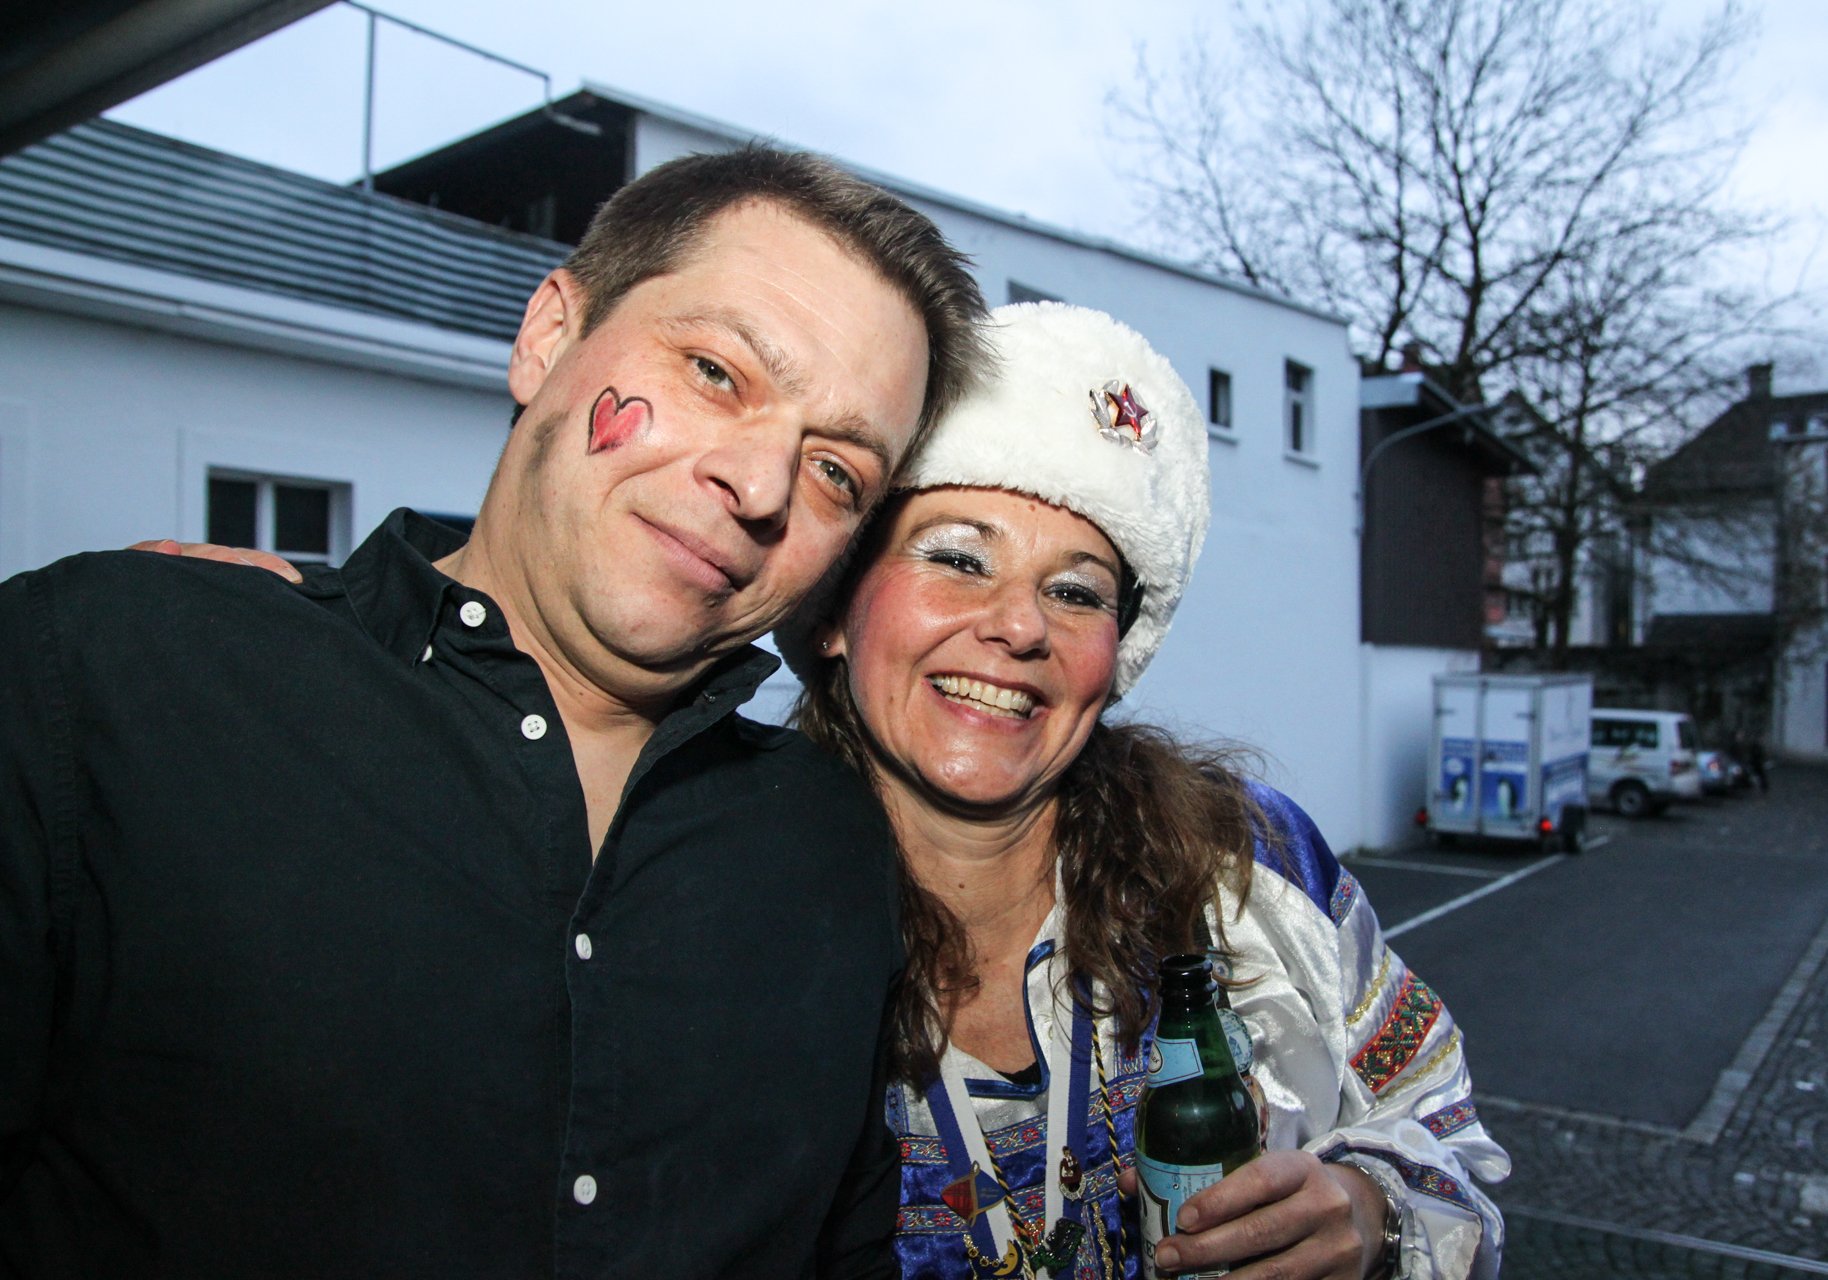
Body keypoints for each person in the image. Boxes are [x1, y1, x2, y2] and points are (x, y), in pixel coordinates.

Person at [0, 146, 990, 1278]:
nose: (761, 485)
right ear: (549, 337)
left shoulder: (832, 845)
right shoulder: (115, 677)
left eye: (837, 473)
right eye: (717, 372)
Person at [780, 303, 1510, 1279]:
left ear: (1115, 657)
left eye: (1076, 591)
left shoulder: (1246, 866)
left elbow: (1446, 1130)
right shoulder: (720, 909)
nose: (1020, 625)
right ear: (834, 610)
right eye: (957, 556)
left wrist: (1374, 1210)